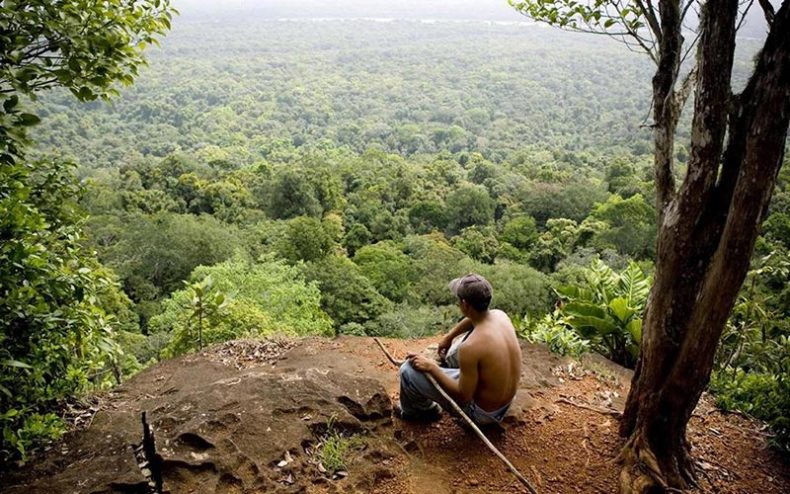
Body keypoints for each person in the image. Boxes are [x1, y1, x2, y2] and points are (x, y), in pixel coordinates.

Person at [396, 273, 522, 425]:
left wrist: (432, 368)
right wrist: (449, 337)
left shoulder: (470, 347)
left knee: (407, 371)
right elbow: (472, 320)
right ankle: (449, 370)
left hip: (481, 414)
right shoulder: (500, 316)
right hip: (504, 403)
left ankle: (422, 412)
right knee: (457, 350)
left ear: (465, 304)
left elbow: (463, 396)